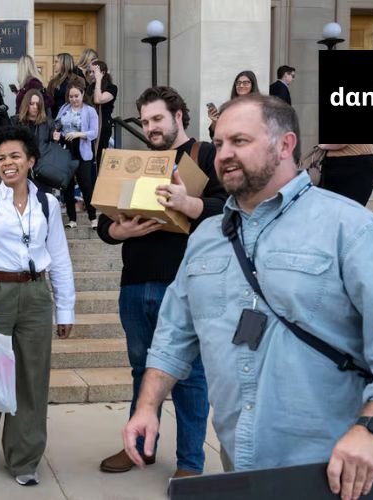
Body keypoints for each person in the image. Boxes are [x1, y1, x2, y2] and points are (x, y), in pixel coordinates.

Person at [122, 95, 373, 500]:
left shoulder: (352, 228)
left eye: (240, 141)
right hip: (238, 461)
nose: (225, 155)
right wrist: (147, 406)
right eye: (219, 144)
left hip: (334, 471)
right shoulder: (205, 238)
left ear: (285, 145)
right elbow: (172, 335)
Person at [96, 85, 224, 479]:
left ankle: (190, 463)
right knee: (140, 369)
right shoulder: (137, 162)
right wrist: (121, 232)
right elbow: (104, 224)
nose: (151, 127)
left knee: (189, 376)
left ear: (178, 117)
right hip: (134, 282)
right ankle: (139, 447)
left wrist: (189, 204)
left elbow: (229, 209)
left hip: (184, 286)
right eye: (146, 120)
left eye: (157, 119)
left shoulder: (206, 156)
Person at [0, 125, 75, 486]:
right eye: (1, 158)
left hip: (36, 296)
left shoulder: (48, 203)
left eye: (14, 156)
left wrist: (66, 308)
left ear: (30, 161)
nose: (7, 163)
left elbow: (58, 256)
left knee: (31, 379)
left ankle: (24, 456)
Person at [54, 78, 99, 228]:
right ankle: (72, 219)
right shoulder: (64, 108)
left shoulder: (89, 110)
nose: (73, 100)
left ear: (82, 94)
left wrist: (79, 134)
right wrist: (56, 133)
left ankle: (93, 218)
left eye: (76, 96)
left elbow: (94, 132)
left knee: (86, 185)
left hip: (82, 149)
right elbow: (57, 125)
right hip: (66, 149)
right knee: (67, 185)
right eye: (71, 96)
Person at [208, 70, 260, 138]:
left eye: (246, 83)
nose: (241, 85)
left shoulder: (260, 107)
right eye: (238, 83)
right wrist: (214, 121)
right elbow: (214, 135)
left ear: (252, 85)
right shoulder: (227, 107)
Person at [87, 60, 118, 163]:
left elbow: (98, 99)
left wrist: (98, 80)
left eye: (93, 72)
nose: (91, 75)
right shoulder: (90, 87)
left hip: (103, 124)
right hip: (91, 124)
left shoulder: (112, 88)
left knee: (100, 154)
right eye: (89, 72)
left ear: (102, 73)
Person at [46, 53, 76, 118]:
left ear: (63, 64)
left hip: (72, 116)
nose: (53, 64)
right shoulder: (53, 82)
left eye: (56, 62)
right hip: (55, 116)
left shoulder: (76, 80)